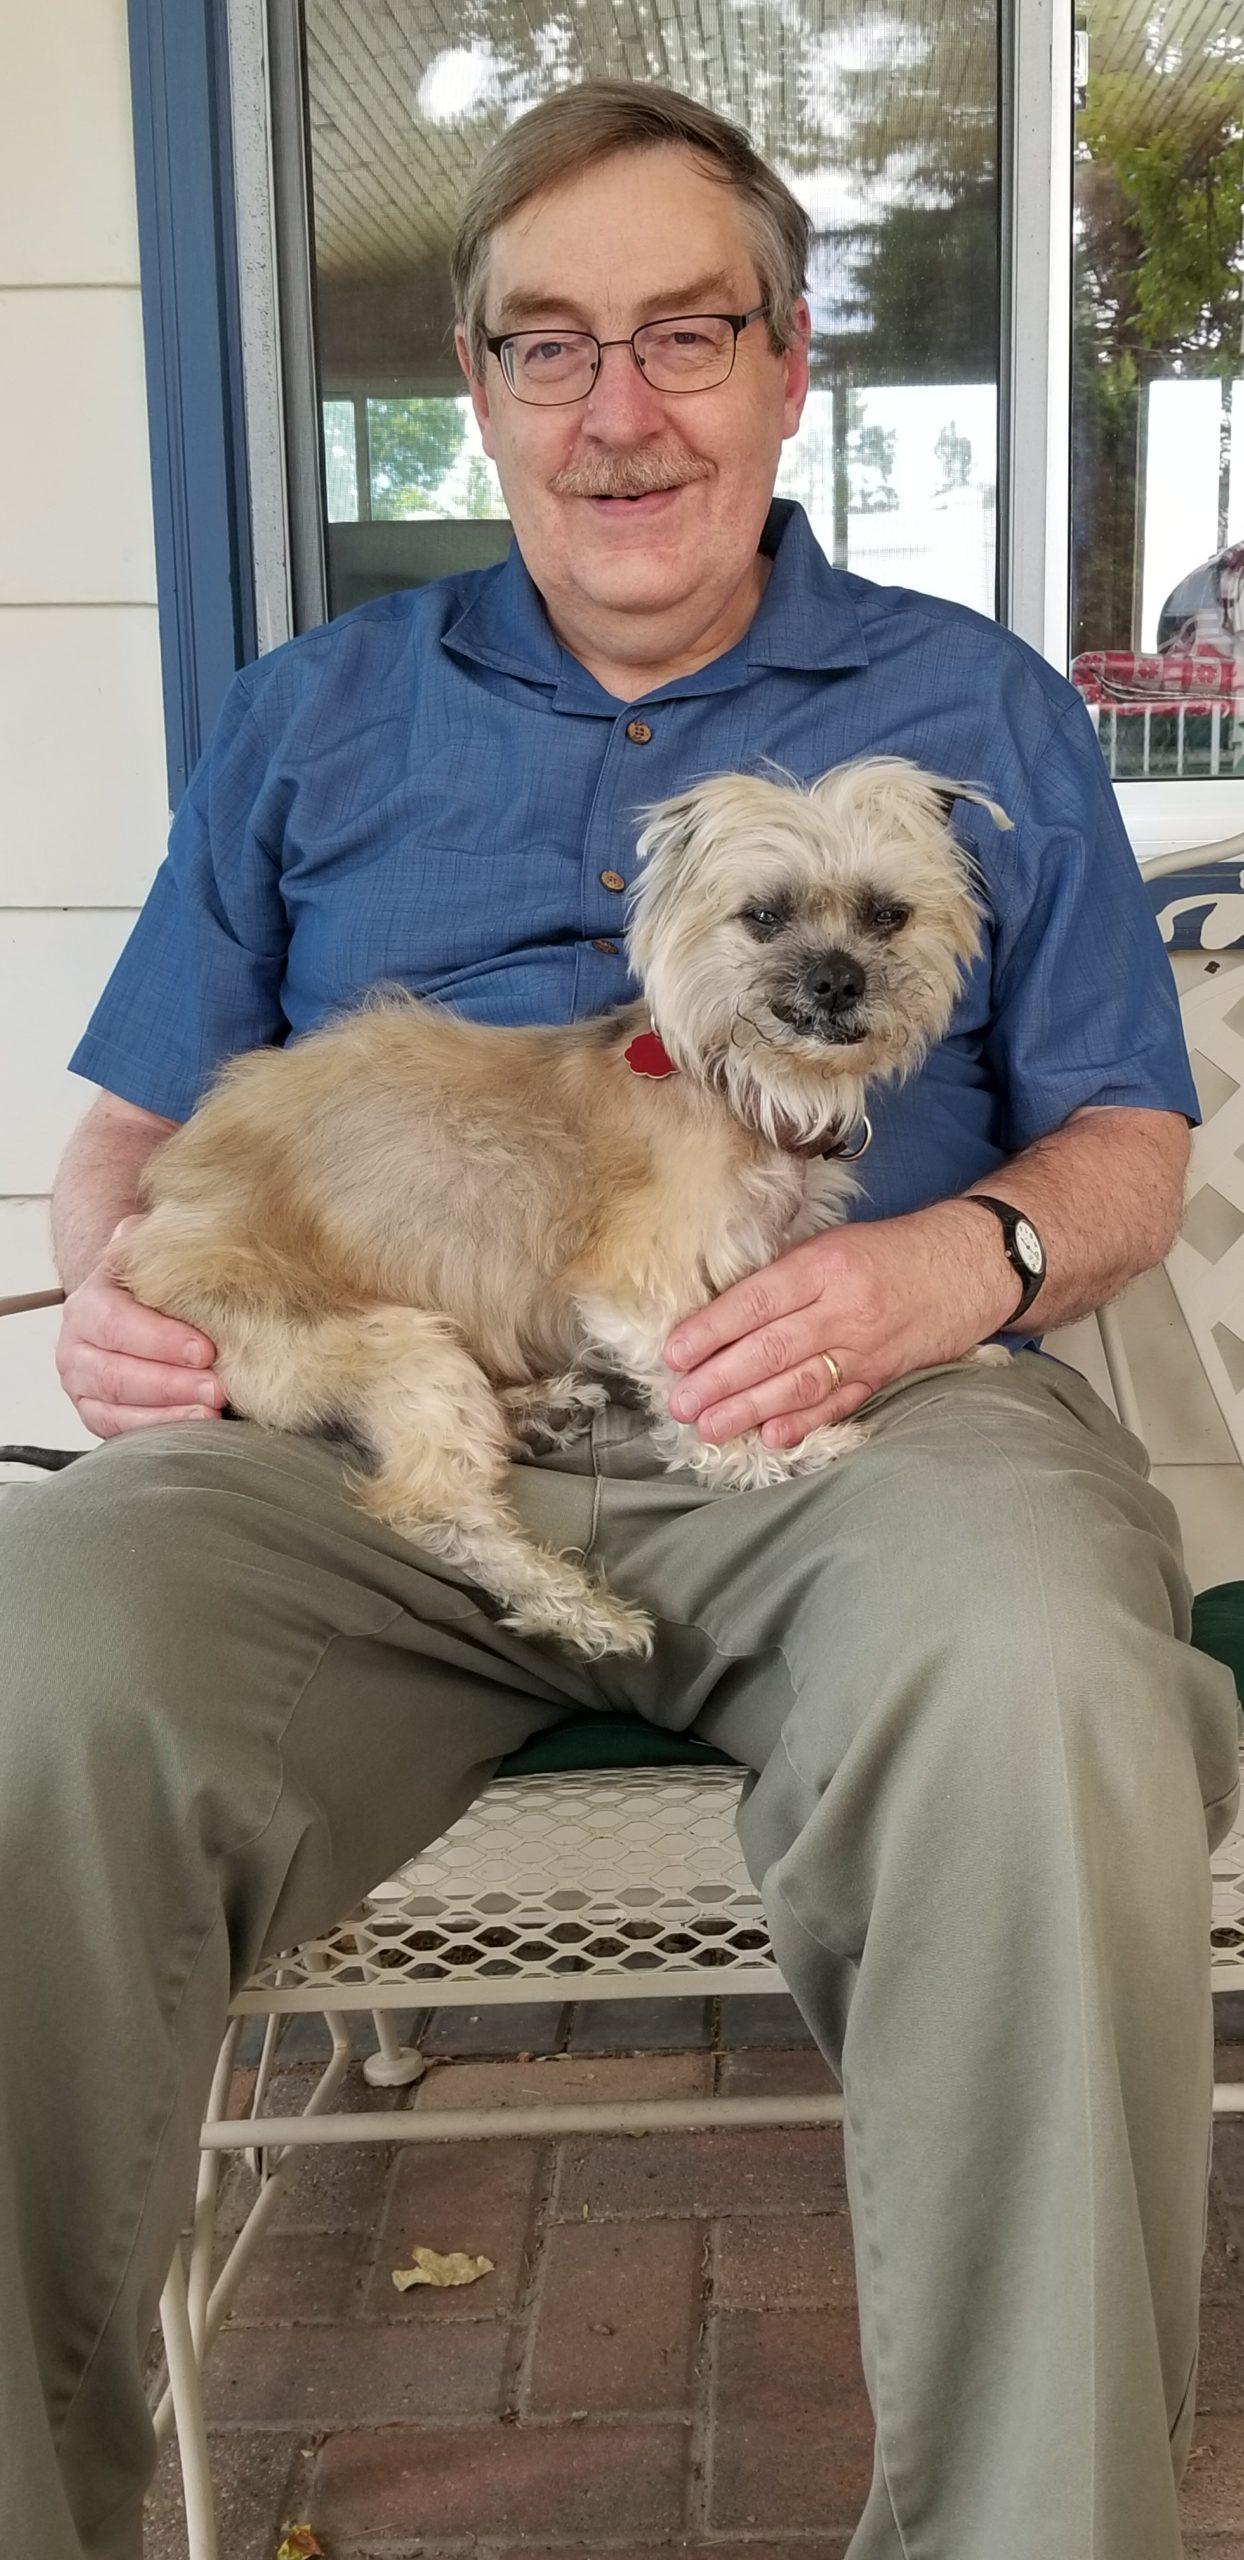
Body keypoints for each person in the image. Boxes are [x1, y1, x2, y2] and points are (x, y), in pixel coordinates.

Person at [1, 75, 1238, 2560]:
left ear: (793, 368)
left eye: (686, 331)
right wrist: (124, 1301)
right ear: (474, 389)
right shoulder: (313, 710)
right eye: (547, 345)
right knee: (32, 1678)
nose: (619, 405)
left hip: (864, 1402)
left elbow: (1122, 1136)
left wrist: (950, 1261)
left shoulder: (974, 707)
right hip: (356, 1434)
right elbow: (135, 1122)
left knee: (1048, 1701)